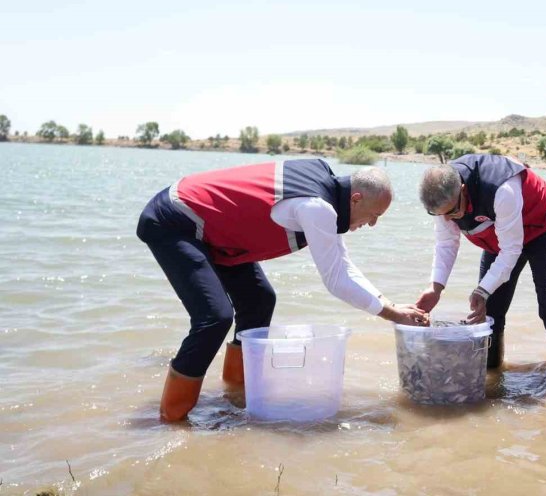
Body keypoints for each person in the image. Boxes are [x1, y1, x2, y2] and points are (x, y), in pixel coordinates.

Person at [137, 159, 427, 421]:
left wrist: (390, 304)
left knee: (259, 300)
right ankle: (172, 416)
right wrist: (391, 315)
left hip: (214, 232)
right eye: (374, 214)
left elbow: (343, 264)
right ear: (356, 198)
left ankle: (234, 394)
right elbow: (337, 280)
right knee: (214, 318)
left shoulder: (325, 191)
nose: (373, 223)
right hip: (174, 219)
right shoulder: (317, 207)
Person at [416, 154, 546, 391]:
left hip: (544, 228)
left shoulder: (501, 189)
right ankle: (493, 384)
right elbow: (446, 244)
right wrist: (436, 287)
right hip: (501, 236)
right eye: (441, 215)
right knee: (489, 311)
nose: (449, 219)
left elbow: (511, 250)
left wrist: (482, 289)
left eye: (452, 212)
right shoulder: (444, 200)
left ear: (462, 189)